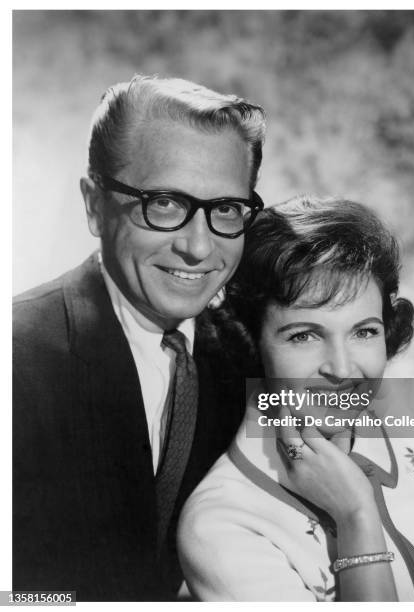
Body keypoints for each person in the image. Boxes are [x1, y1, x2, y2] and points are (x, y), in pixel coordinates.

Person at [13, 75, 266, 601]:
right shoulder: (15, 357)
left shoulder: (249, 353)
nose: (198, 248)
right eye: (165, 204)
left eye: (225, 210)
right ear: (94, 205)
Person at [178, 196, 414, 601]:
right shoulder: (222, 523)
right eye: (304, 336)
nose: (341, 369)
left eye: (364, 332)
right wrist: (356, 516)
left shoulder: (410, 419)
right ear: (249, 344)